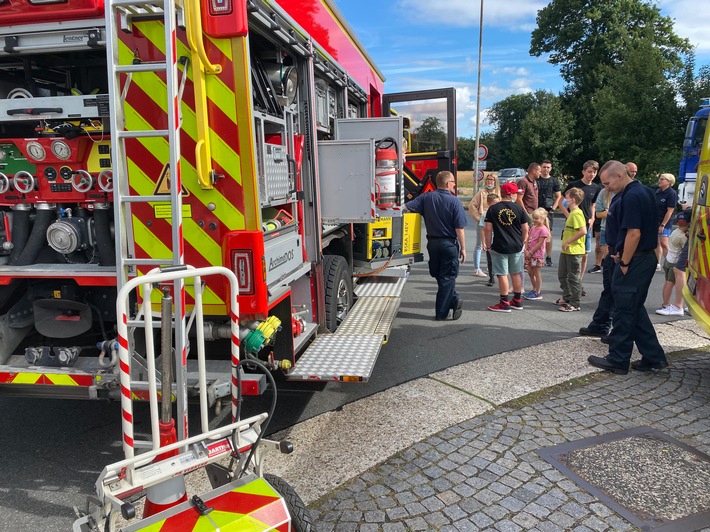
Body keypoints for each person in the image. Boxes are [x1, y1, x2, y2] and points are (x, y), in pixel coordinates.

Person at [588, 160, 668, 374]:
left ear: (619, 176)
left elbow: (634, 233)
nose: (606, 187)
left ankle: (618, 359)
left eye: (607, 182)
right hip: (641, 258)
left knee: (624, 309)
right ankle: (654, 357)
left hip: (634, 259)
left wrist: (624, 261)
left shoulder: (632, 196)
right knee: (634, 308)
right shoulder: (644, 191)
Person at [404, 171, 467, 321]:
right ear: (447, 184)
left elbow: (406, 207)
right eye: (453, 182)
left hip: (432, 244)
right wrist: (463, 248)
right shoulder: (454, 201)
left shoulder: (426, 197)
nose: (454, 184)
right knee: (447, 277)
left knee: (439, 274)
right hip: (448, 244)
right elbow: (459, 228)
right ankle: (443, 311)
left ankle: (453, 299)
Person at [484, 182, 529, 312]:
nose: (517, 195)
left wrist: (488, 245)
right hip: (516, 245)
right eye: (515, 193)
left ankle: (504, 302)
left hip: (500, 245)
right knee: (515, 273)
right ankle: (517, 300)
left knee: (502, 274)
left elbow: (488, 229)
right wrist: (523, 241)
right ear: (511, 194)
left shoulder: (493, 209)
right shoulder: (519, 209)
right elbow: (525, 228)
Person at [561, 160, 601, 283]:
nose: (592, 174)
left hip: (587, 224)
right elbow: (561, 202)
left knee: (584, 254)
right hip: (573, 224)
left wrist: (593, 218)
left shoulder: (596, 187)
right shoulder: (574, 185)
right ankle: (569, 281)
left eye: (594, 172)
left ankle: (579, 282)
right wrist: (568, 215)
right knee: (570, 253)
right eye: (589, 172)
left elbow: (592, 205)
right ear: (583, 171)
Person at [555, 188, 587, 312]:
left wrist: (569, 241)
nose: (565, 199)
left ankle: (575, 302)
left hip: (574, 250)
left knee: (573, 277)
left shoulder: (577, 213)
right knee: (562, 275)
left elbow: (583, 231)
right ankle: (567, 296)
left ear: (572, 199)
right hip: (567, 250)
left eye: (567, 197)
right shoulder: (572, 213)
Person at [656, 209, 691, 316]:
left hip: (669, 260)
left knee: (667, 283)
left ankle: (665, 304)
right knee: (671, 283)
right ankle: (670, 305)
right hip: (675, 262)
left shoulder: (675, 232)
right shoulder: (683, 237)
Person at [468, 173, 500, 278]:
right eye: (488, 179)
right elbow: (472, 205)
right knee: (480, 245)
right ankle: (477, 268)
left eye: (491, 180)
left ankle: (491, 266)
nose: (489, 182)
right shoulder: (482, 192)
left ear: (495, 181)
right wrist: (478, 217)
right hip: (483, 220)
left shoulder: (498, 193)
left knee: (494, 244)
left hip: (496, 222)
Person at [537, 159, 561, 266]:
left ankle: (549, 256)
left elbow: (558, 196)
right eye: (544, 167)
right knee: (534, 233)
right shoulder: (536, 179)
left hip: (548, 210)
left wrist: (553, 209)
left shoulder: (554, 181)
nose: (546, 169)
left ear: (551, 168)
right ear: (540, 168)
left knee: (548, 234)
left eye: (548, 167)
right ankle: (537, 255)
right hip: (537, 209)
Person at [523, 208, 549, 300]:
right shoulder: (533, 228)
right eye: (533, 218)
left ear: (542, 218)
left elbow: (540, 243)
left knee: (536, 272)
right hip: (530, 254)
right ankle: (534, 289)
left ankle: (538, 291)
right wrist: (526, 249)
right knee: (530, 272)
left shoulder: (543, 229)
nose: (534, 220)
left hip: (537, 255)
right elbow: (528, 238)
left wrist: (531, 251)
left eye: (536, 218)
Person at [655, 173, 678, 269]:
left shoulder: (671, 193)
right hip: (656, 220)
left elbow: (670, 210)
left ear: (668, 182)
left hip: (665, 222)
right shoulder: (658, 192)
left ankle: (670, 263)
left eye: (662, 179)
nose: (659, 181)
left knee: (664, 242)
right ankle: (658, 263)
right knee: (657, 242)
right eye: (660, 179)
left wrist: (663, 224)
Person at [587, 187, 613, 273]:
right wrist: (608, 213)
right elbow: (598, 212)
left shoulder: (624, 190)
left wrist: (608, 212)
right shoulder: (603, 191)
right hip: (604, 226)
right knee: (600, 243)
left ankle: (611, 268)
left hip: (617, 228)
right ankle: (598, 265)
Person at [481, 193, 501, 287]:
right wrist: (483, 242)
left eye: (498, 202)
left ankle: (500, 275)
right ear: (489, 203)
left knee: (500, 259)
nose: (497, 204)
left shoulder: (501, 212)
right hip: (490, 240)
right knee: (490, 260)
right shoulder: (485, 214)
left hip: (499, 240)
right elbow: (483, 229)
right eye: (494, 202)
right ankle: (491, 277)